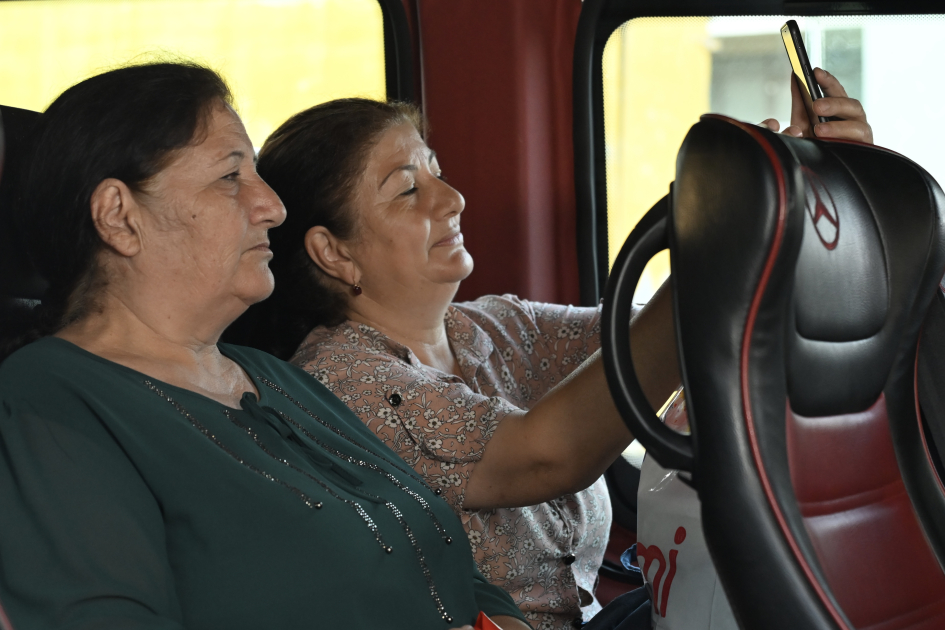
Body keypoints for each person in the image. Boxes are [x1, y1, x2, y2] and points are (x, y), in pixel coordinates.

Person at [231, 67, 872, 630]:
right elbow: (547, 455)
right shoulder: (339, 382)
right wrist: (728, 237)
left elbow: (692, 333)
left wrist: (819, 191)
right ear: (333, 252)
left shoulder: (492, 329)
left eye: (438, 174)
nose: (452, 199)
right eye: (408, 190)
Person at [0, 61, 532, 630]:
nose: (273, 207)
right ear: (119, 217)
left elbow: (450, 564)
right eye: (231, 177)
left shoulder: (273, 378)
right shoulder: (48, 400)